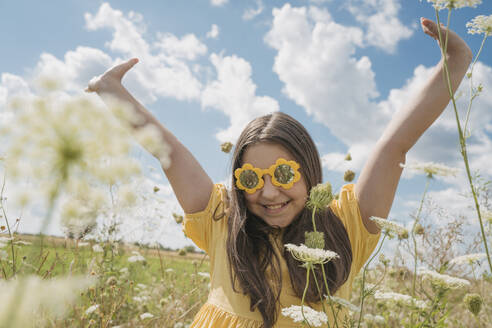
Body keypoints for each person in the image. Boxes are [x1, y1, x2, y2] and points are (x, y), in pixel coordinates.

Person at [87, 17, 472, 328]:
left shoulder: (347, 225)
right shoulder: (223, 221)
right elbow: (167, 151)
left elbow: (393, 146)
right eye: (251, 179)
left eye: (284, 175)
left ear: (309, 171)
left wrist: (455, 62)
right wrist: (111, 91)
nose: (268, 193)